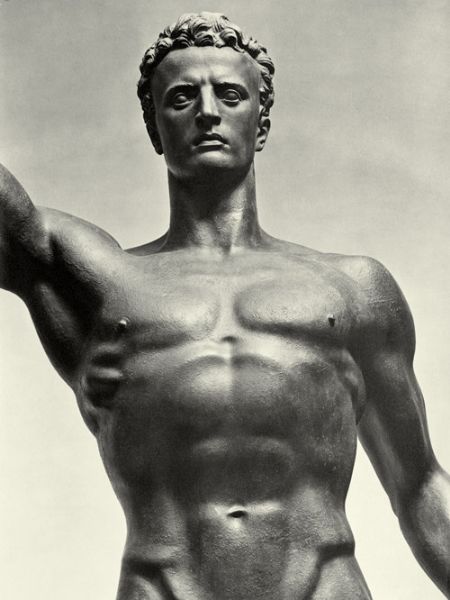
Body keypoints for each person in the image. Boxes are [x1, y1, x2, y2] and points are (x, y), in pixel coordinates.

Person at [0, 12, 449, 600]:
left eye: (230, 95)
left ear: (261, 122)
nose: (207, 112)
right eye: (181, 97)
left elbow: (419, 487)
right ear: (155, 126)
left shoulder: (353, 289)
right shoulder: (103, 288)